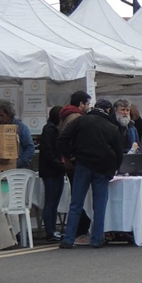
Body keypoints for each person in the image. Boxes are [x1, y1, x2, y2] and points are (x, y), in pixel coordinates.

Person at [57, 98, 122, 249]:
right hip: (102, 168)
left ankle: (68, 239)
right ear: (108, 110)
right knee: (99, 205)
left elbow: (63, 138)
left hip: (83, 165)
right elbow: (119, 153)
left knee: (76, 203)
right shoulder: (112, 127)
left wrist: (71, 156)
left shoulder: (81, 121)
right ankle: (96, 239)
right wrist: (114, 168)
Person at [58, 91, 92, 240]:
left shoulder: (66, 115)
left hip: (69, 162)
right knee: (79, 199)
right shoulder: (76, 118)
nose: (88, 107)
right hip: (76, 162)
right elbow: (71, 139)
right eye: (87, 104)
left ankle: (78, 228)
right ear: (81, 104)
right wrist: (72, 156)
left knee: (76, 196)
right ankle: (82, 226)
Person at [38, 106, 66, 241]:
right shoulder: (50, 130)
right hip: (51, 171)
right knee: (51, 202)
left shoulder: (51, 129)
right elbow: (48, 152)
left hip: (54, 170)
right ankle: (50, 230)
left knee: (53, 202)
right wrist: (61, 164)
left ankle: (52, 230)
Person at [0, 99, 35, 169]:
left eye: (1, 115)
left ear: (9, 114)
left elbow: (30, 148)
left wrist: (19, 162)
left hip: (18, 169)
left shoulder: (21, 128)